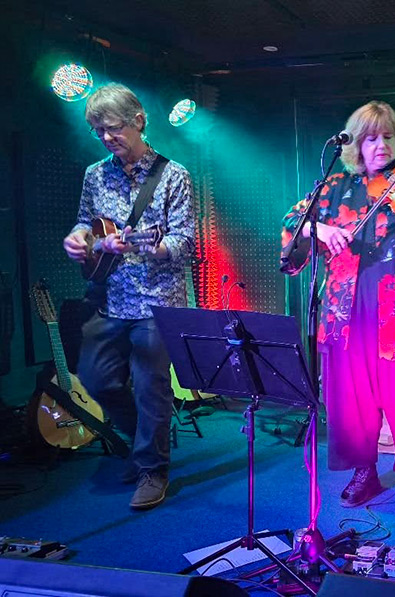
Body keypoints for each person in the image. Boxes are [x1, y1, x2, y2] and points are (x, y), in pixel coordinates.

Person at [280, 101, 395, 508]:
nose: (381, 145)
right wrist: (321, 229)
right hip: (345, 310)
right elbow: (291, 224)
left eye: (388, 137)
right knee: (351, 398)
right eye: (372, 138)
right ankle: (364, 471)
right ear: (355, 144)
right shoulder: (334, 186)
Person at [62, 83, 195, 510]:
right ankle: (143, 445)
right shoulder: (95, 175)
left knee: (151, 386)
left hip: (158, 299)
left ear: (138, 120)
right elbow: (85, 223)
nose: (106, 137)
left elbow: (185, 241)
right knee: (94, 377)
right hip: (108, 295)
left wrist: (152, 247)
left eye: (113, 128)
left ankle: (153, 469)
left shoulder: (174, 176)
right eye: (98, 130)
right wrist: (78, 239)